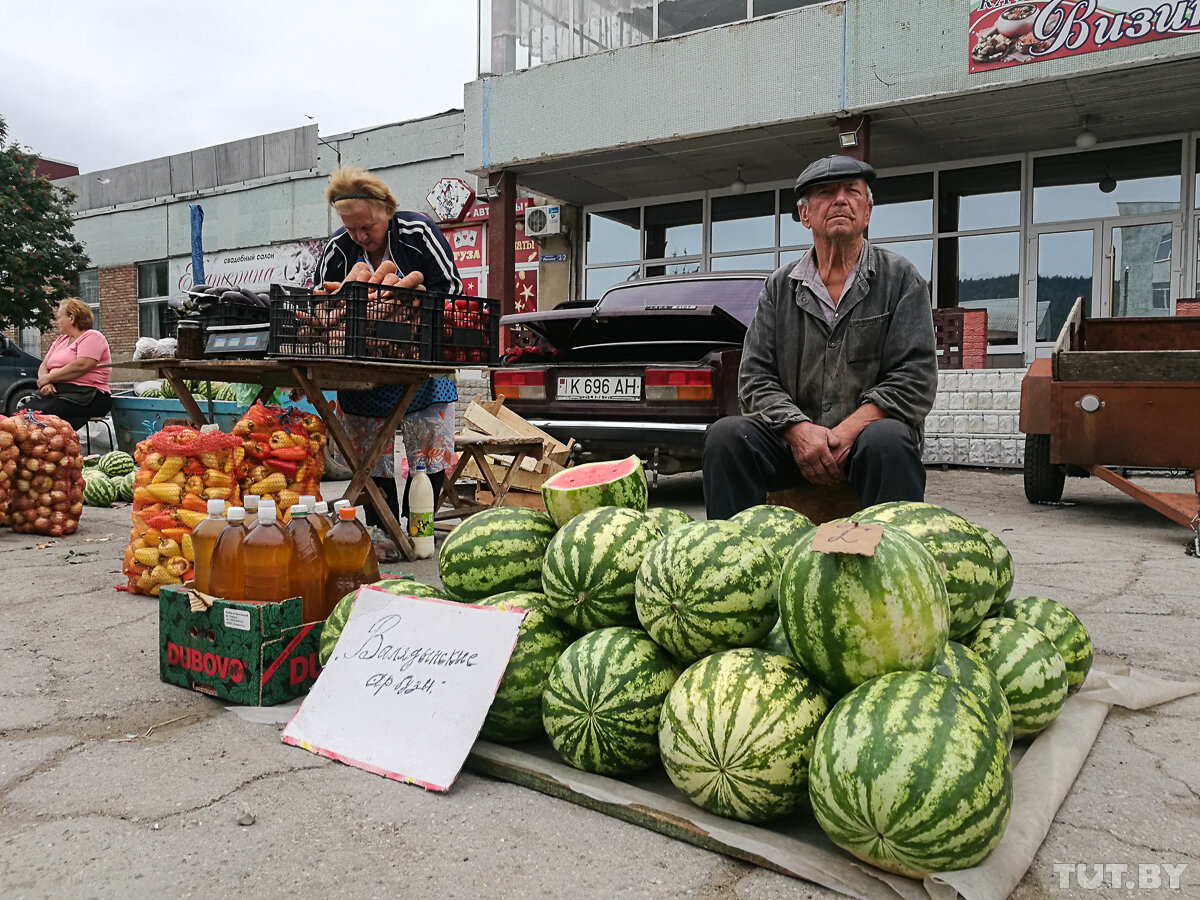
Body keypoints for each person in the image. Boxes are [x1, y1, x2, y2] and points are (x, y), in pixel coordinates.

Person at [702, 155, 938, 520]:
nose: (841, 200)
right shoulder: (779, 287)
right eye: (826, 193)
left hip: (866, 445)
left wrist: (846, 432)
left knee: (889, 440)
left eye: (852, 192)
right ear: (805, 215)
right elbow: (755, 379)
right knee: (727, 437)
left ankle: (894, 566)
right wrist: (798, 431)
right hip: (793, 445)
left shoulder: (901, 278)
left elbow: (914, 380)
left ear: (868, 210)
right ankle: (735, 561)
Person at [315, 166, 462, 531]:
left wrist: (413, 307)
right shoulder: (338, 247)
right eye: (352, 229)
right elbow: (321, 303)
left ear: (387, 211)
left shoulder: (417, 232)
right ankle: (385, 529)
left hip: (421, 361)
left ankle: (418, 527)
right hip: (363, 368)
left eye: (368, 227)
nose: (361, 236)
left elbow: (452, 289)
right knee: (368, 454)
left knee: (428, 453)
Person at [23, 298, 113, 431]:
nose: (57, 321)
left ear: (71, 317)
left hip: (87, 395)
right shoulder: (61, 340)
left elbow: (81, 366)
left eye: (59, 317)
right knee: (22, 412)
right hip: (58, 392)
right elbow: (44, 366)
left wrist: (49, 378)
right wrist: (46, 382)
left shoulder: (93, 336)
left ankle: (59, 445)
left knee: (40, 415)